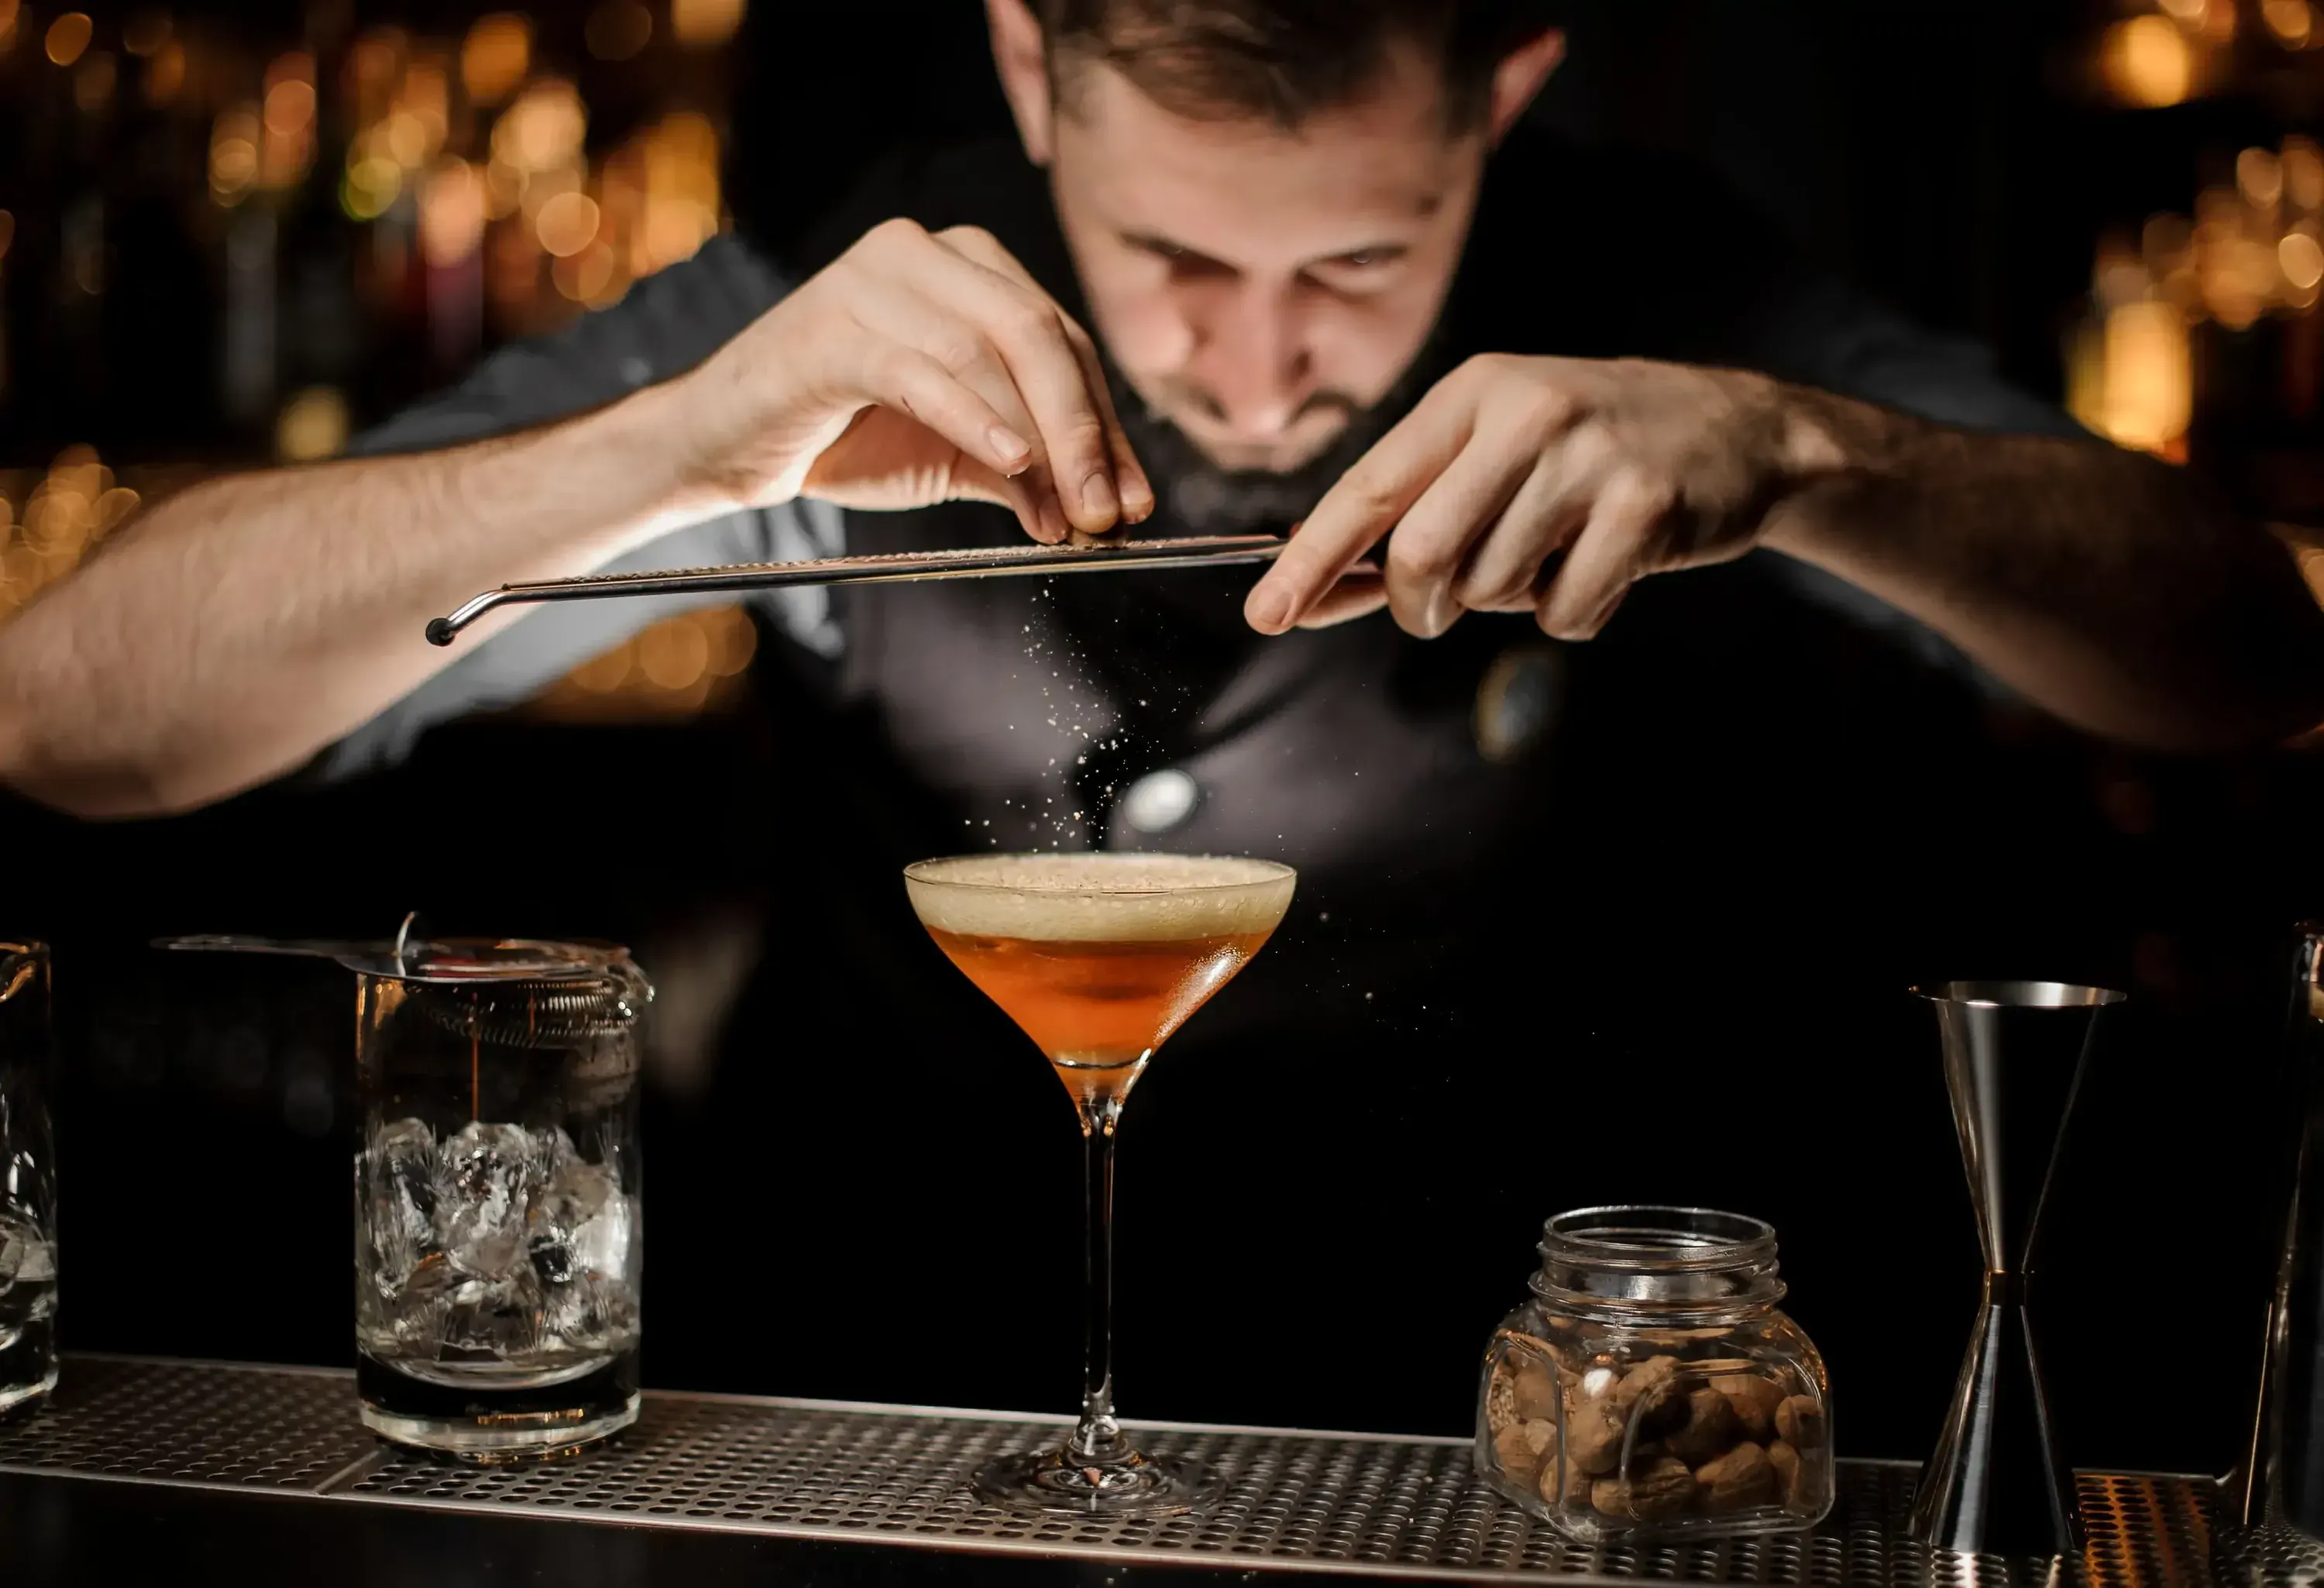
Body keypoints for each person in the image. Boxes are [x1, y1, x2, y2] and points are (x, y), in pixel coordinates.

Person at [0, 0, 2315, 1449]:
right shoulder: (836, 311)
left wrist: (1818, 459)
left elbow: (2250, 665)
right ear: (1030, 69)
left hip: (1493, 1444)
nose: (1250, 364)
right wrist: (678, 447)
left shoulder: (1685, 302)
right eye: (1174, 263)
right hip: (865, 1418)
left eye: (1351, 270)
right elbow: (67, 722)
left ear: (1507, 84)